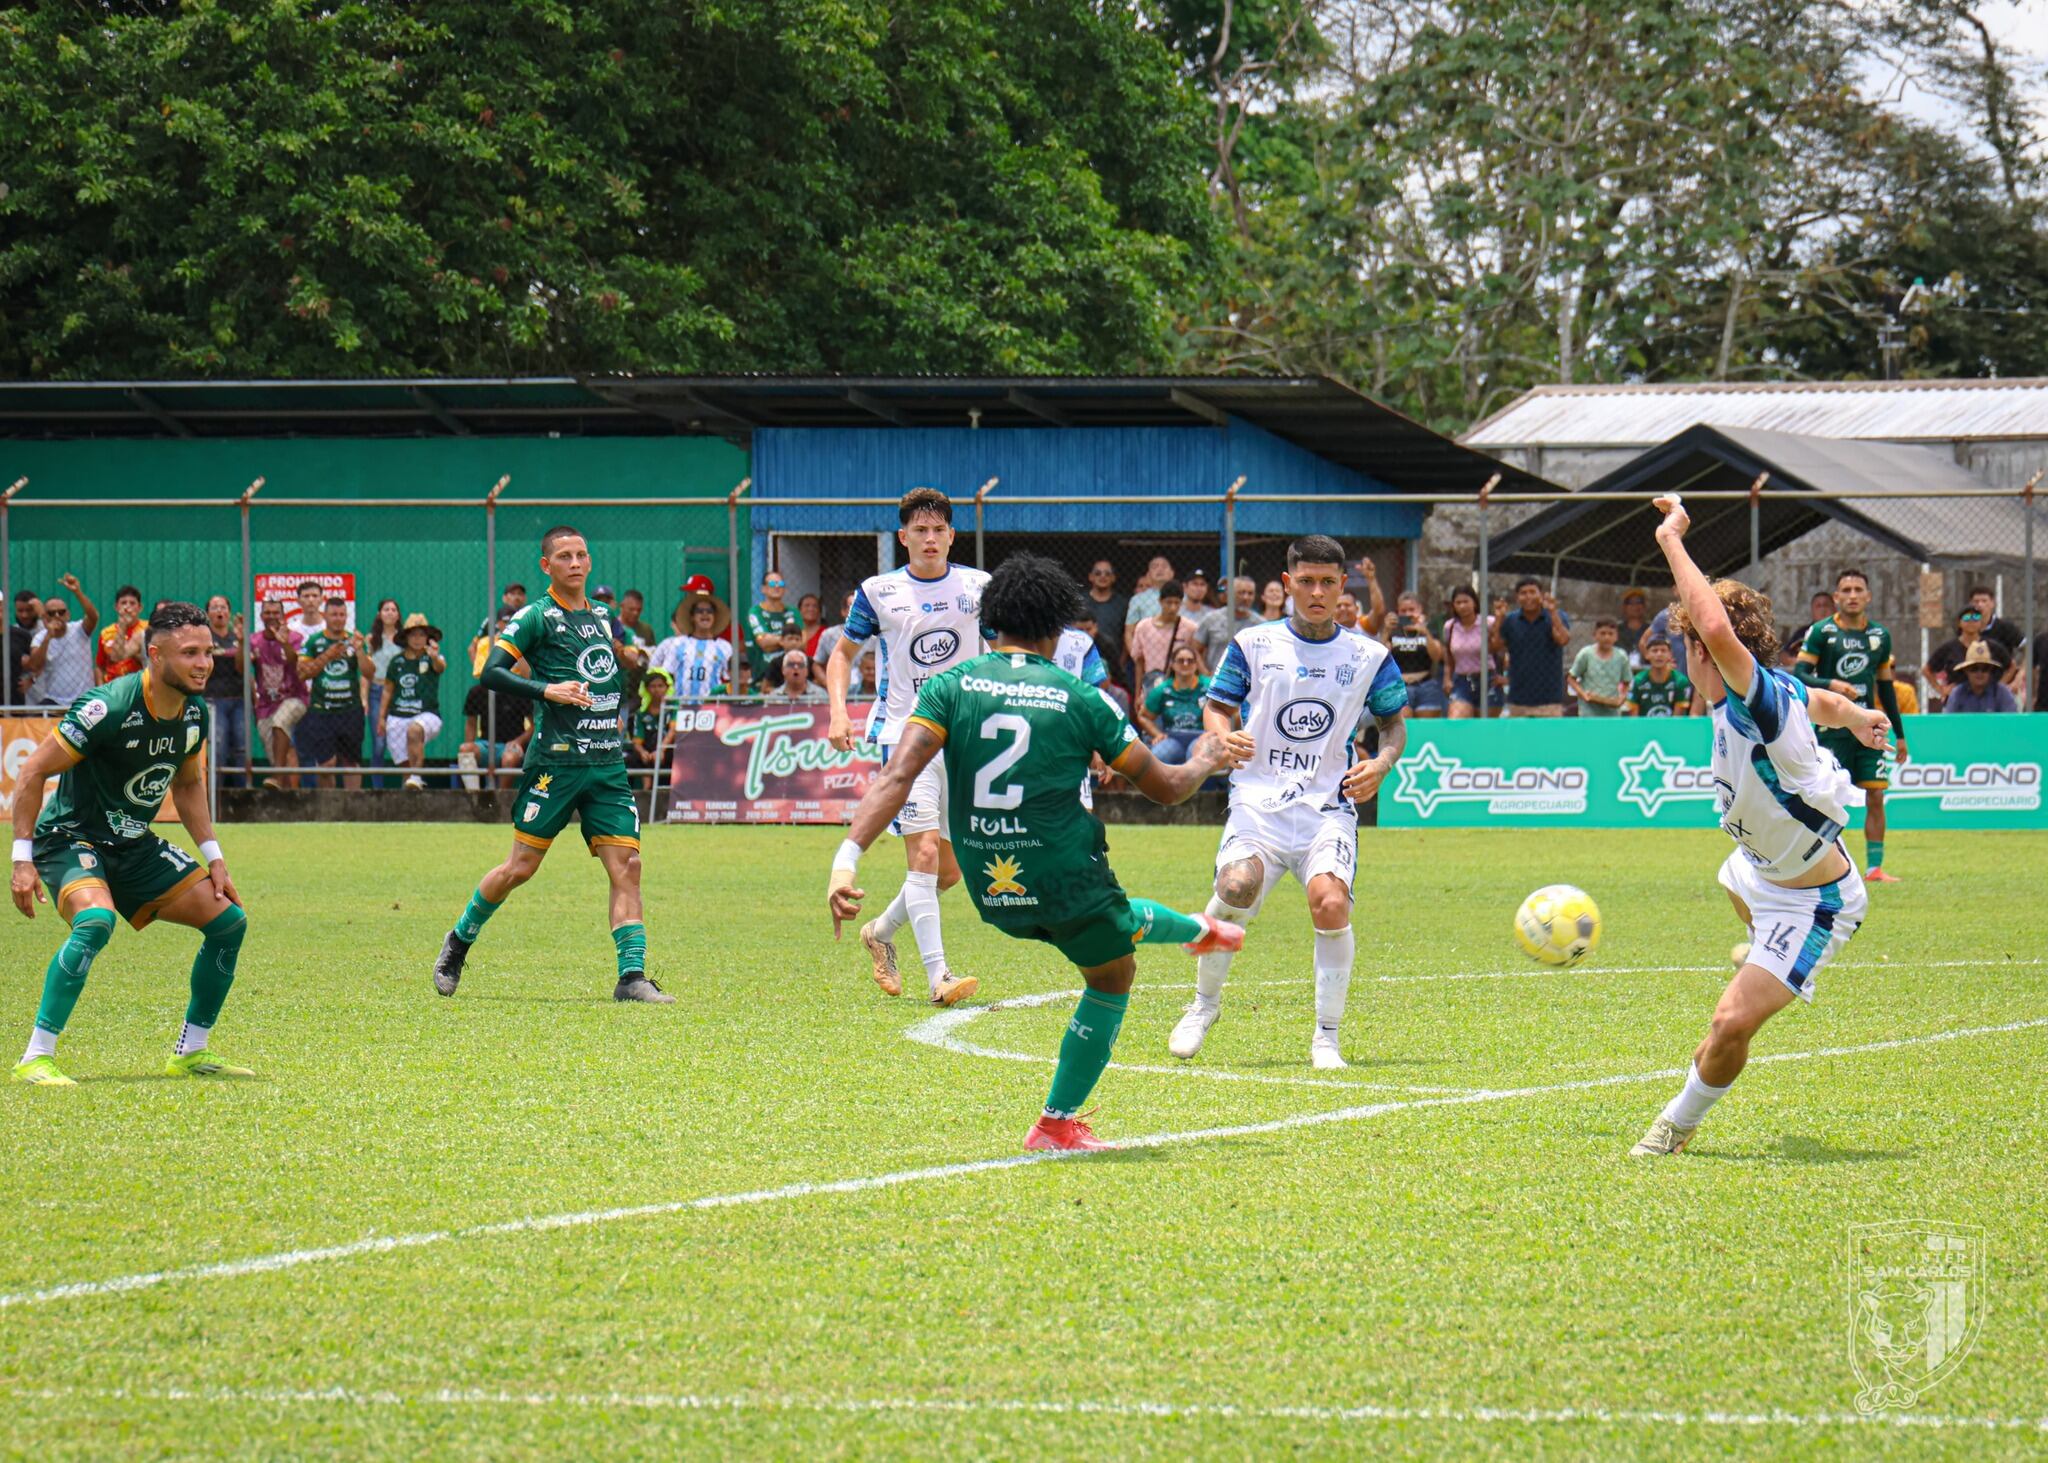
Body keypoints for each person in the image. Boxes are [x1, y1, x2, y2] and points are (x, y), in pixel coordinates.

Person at [827, 553, 1243, 1152]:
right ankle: (1056, 1123)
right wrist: (1207, 755)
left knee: (1112, 929)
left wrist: (847, 860)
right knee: (1112, 970)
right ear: (1058, 628)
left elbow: (895, 777)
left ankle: (1196, 930)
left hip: (991, 889)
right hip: (1064, 876)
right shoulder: (1080, 697)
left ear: (989, 623)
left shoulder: (948, 687)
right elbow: (1165, 787)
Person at [1629, 495, 1889, 1156]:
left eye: (1686, 638)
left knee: (1726, 1027)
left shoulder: (1756, 699)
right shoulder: (1776, 689)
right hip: (1760, 871)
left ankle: (1676, 1125)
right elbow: (1824, 698)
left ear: (1699, 647)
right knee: (1736, 877)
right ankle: (1762, 943)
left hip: (1815, 901)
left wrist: (1672, 537)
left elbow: (1717, 629)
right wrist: (1857, 717)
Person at [1177, 534, 1410, 1071]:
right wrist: (1223, 735)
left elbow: (1394, 724)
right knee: (1234, 887)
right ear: (1287, 585)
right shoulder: (1253, 643)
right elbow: (1218, 707)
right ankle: (1203, 1005)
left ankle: (1326, 1037)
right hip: (1258, 804)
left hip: (1327, 807)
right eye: (1305, 581)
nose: (1317, 592)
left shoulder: (1369, 655)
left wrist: (1381, 763)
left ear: (1342, 585)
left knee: (1330, 903)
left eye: (1328, 582)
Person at [9, 601, 253, 1086]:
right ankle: (35, 1057)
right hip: (69, 838)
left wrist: (215, 858)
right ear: (156, 656)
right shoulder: (109, 706)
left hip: (132, 843)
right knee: (95, 922)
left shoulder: (193, 714)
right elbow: (33, 771)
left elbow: (185, 787)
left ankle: (191, 1052)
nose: (204, 663)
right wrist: (21, 858)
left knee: (229, 922)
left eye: (207, 652)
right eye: (190, 653)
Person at [433, 525, 663, 1003]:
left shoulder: (603, 617)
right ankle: (458, 941)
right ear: (546, 566)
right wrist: (547, 690)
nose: (575, 563)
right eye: (564, 556)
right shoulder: (533, 617)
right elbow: (490, 672)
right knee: (520, 867)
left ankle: (632, 977)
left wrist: (630, 660)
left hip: (606, 765)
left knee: (629, 866)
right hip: (554, 766)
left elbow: (606, 669)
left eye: (581, 554)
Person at [825, 487, 990, 1006]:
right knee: (920, 854)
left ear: (952, 536)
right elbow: (841, 656)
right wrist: (837, 711)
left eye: (939, 530)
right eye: (920, 530)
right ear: (903, 538)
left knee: (949, 870)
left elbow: (1007, 646)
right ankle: (939, 978)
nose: (931, 539)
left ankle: (880, 931)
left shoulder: (979, 586)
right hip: (906, 737)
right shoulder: (878, 591)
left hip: (963, 737)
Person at [1796, 570, 1908, 884]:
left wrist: (1899, 735)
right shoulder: (1822, 631)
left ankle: (1874, 869)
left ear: (1868, 596)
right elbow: (1800, 673)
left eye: (1859, 589)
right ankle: (1824, 863)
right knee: (1828, 798)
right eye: (1846, 589)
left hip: (1869, 727)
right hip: (1832, 728)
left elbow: (1886, 688)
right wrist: (1829, 683)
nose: (1853, 594)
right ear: (1836, 597)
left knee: (1875, 794)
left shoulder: (1880, 636)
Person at [295, 597, 373, 791]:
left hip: (350, 710)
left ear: (346, 616)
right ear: (325, 616)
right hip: (322, 711)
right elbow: (303, 673)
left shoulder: (354, 640)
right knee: (326, 765)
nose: (338, 619)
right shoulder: (314, 641)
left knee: (351, 763)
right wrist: (328, 655)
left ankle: (353, 810)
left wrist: (360, 651)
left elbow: (369, 672)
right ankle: (329, 809)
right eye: (333, 615)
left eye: (342, 615)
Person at [377, 614, 445, 790]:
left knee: (415, 730)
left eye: (421, 635)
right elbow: (387, 690)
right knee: (404, 765)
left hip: (427, 714)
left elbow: (440, 667)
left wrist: (435, 656)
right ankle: (411, 790)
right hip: (398, 715)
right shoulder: (396, 662)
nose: (417, 639)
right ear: (406, 637)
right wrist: (382, 717)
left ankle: (416, 776)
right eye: (413, 635)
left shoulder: (432, 657)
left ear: (427, 638)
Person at [1490, 578, 1572, 716]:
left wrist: (1552, 612)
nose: (1528, 597)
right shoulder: (1510, 620)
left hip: (1549, 698)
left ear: (1541, 595)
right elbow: (1494, 647)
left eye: (1532, 592)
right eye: (1523, 593)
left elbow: (1563, 639)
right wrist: (1499, 619)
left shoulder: (1557, 616)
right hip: (1518, 697)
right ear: (1517, 598)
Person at [249, 598, 306, 790]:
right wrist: (241, 643)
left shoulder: (295, 637)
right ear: (261, 615)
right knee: (277, 752)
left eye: (276, 613)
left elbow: (296, 663)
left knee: (280, 721)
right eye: (268, 612)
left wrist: (285, 644)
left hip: (295, 698)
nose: (272, 616)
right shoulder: (254, 640)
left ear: (282, 616)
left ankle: (276, 777)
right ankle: (288, 795)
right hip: (266, 704)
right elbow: (242, 668)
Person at [656, 582, 734, 704]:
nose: (705, 614)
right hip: (682, 706)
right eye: (699, 611)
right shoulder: (678, 644)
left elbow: (729, 679)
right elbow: (667, 675)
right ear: (692, 617)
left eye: (709, 611)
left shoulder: (724, 647)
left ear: (715, 616)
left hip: (713, 707)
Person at [28, 576, 101, 706]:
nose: (57, 616)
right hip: (54, 701)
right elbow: (35, 666)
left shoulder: (79, 630)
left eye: (61, 612)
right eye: (51, 613)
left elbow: (93, 617)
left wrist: (77, 592)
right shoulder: (40, 637)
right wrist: (48, 637)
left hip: (83, 701)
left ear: (68, 615)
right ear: (45, 617)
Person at [1925, 608, 2011, 707]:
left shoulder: (1991, 646)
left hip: (1989, 699)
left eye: (1976, 617)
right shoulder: (1949, 647)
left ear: (1981, 623)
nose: (1971, 621)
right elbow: (1927, 670)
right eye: (1966, 618)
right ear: (1959, 623)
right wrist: (1941, 689)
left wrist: (2001, 685)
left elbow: (2010, 666)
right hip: (1958, 700)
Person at [202, 595, 247, 785]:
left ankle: (242, 794)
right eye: (214, 608)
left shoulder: (236, 638)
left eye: (223, 607)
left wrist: (242, 642)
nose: (219, 611)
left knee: (241, 747)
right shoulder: (204, 638)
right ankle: (216, 794)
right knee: (218, 746)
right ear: (207, 613)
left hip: (238, 699)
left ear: (228, 612)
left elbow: (242, 668)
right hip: (213, 700)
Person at [1139, 645, 1212, 761]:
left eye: (1190, 661)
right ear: (1172, 664)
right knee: (1158, 755)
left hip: (1201, 736)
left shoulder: (1209, 686)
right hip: (1172, 737)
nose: (1185, 664)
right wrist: (1157, 734)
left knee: (1197, 757)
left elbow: (1225, 709)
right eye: (1180, 660)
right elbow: (1143, 716)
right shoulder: (1162, 689)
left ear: (1196, 665)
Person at [1381, 592, 1447, 718]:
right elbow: (1381, 657)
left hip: (1426, 684)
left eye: (1412, 610)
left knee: (1426, 728)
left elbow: (1437, 656)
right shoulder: (1394, 631)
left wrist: (1425, 632)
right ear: (1398, 612)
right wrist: (1386, 631)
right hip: (1400, 685)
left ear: (1420, 610)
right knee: (1404, 723)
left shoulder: (1429, 629)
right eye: (1403, 611)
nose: (1408, 614)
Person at [363, 598, 404, 787]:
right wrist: (364, 697)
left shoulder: (404, 639)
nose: (389, 612)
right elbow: (365, 671)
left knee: (401, 741)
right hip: (377, 690)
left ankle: (408, 782)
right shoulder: (371, 639)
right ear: (379, 614)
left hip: (399, 692)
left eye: (393, 609)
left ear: (398, 615)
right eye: (386, 609)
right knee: (379, 743)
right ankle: (377, 787)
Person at [1128, 578, 1193, 689]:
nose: (1173, 607)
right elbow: (1139, 662)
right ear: (1160, 601)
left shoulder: (1189, 628)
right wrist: (1138, 692)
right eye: (1169, 602)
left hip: (1180, 686)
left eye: (1176, 603)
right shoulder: (1143, 627)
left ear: (1181, 603)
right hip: (1152, 685)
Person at [744, 571, 802, 692]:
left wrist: (774, 640)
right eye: (772, 583)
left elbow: (802, 642)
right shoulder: (755, 612)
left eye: (780, 583)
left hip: (790, 676)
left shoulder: (793, 612)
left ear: (784, 589)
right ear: (763, 589)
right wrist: (788, 641)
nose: (777, 586)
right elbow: (764, 643)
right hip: (761, 675)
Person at [811, 590, 875, 696]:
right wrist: (827, 684)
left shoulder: (874, 638)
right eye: (852, 606)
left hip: (866, 693)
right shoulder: (828, 635)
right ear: (844, 611)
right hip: (837, 690)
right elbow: (817, 664)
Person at [1442, 586, 1490, 719]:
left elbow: (1500, 650)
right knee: (1456, 720)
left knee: (1487, 726)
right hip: (1462, 680)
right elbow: (1448, 655)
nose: (1462, 606)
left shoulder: (1488, 623)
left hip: (1488, 679)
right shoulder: (1449, 626)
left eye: (1466, 601)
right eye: (1458, 603)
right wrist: (1447, 678)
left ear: (1474, 602)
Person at [1567, 618, 1630, 716]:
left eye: (1610, 634)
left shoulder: (1621, 656)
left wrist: (1621, 699)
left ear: (1616, 637)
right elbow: (1571, 678)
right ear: (1595, 635)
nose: (1606, 637)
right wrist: (1584, 695)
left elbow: (1626, 681)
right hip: (1588, 711)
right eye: (1603, 633)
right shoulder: (1586, 654)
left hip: (1612, 712)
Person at [1196, 576, 1258, 674]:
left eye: (1250, 593)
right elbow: (1195, 650)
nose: (1246, 597)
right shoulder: (1211, 619)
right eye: (1241, 592)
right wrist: (1206, 675)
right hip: (1216, 680)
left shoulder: (1260, 625)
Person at [1624, 637, 1695, 716]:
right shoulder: (1638, 681)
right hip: (1644, 727)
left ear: (1670, 655)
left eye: (1663, 650)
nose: (1659, 654)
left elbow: (1677, 719)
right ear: (1647, 655)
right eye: (1654, 650)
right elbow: (1634, 720)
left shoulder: (1680, 681)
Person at [1082, 560, 1128, 680]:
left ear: (1113, 578)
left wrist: (1120, 663)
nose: (1103, 576)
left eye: (1107, 573)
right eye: (1098, 573)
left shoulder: (1122, 604)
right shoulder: (1081, 602)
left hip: (1113, 662)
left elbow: (1126, 635)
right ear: (1090, 577)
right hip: (1083, 657)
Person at [1941, 641, 2018, 713]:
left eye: (1985, 669)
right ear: (1966, 670)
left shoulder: (2002, 693)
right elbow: (1949, 724)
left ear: (1990, 670)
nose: (1979, 673)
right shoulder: (1957, 694)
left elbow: (2011, 722)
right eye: (1974, 668)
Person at [95, 585, 146, 684]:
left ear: (140, 608)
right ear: (116, 607)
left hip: (139, 686)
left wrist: (131, 648)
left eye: (132, 603)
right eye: (123, 603)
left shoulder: (146, 629)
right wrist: (100, 690)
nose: (127, 607)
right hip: (112, 687)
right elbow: (99, 666)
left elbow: (149, 661)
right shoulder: (106, 633)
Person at [10, 590, 42, 703]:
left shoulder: (45, 630)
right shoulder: (12, 633)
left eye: (29, 610)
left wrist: (32, 679)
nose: (24, 615)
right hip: (19, 695)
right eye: (20, 611)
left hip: (43, 691)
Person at [1618, 588, 1652, 667]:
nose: (1635, 606)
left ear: (1644, 606)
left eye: (1639, 602)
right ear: (1624, 607)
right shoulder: (1617, 630)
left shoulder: (1651, 629)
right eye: (1631, 603)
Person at [795, 592, 826, 661]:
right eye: (807, 605)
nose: (811, 609)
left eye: (815, 606)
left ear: (819, 611)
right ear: (799, 610)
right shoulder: (793, 631)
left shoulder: (825, 632)